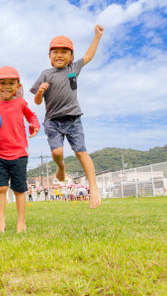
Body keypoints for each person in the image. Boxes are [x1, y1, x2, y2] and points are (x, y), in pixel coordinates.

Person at [31, 25, 103, 209]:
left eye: (65, 51)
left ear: (71, 56)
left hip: (73, 119)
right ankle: (61, 167)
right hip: (53, 121)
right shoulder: (45, 74)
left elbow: (88, 56)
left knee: (81, 152)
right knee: (57, 153)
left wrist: (97, 37)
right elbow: (37, 102)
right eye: (55, 52)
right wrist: (40, 92)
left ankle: (93, 187)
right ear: (49, 56)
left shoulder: (73, 68)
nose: (60, 55)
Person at [0, 66, 40, 233]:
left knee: (19, 189)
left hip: (19, 154)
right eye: (2, 83)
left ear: (18, 85)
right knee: (1, 188)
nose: (7, 86)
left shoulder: (21, 103)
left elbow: (32, 116)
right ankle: (1, 223)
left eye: (11, 83)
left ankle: (21, 222)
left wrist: (34, 125)